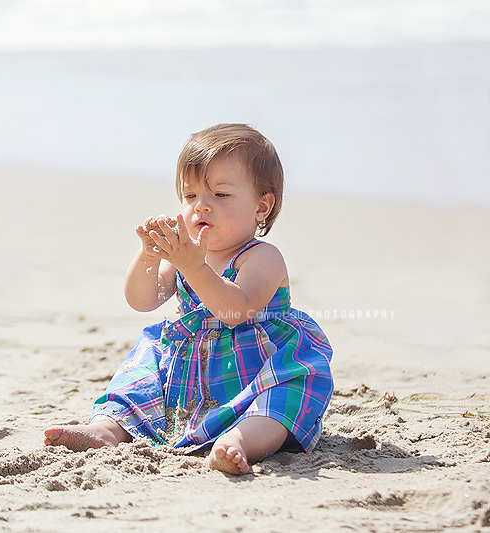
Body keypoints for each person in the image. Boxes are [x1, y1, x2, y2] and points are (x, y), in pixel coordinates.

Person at [44, 123, 333, 475]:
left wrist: (193, 267)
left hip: (255, 367)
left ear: (262, 206)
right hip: (190, 372)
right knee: (143, 370)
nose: (201, 208)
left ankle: (238, 441)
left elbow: (234, 310)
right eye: (190, 196)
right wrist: (150, 255)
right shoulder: (185, 258)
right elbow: (142, 299)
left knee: (282, 398)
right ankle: (107, 429)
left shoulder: (262, 257)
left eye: (221, 195)